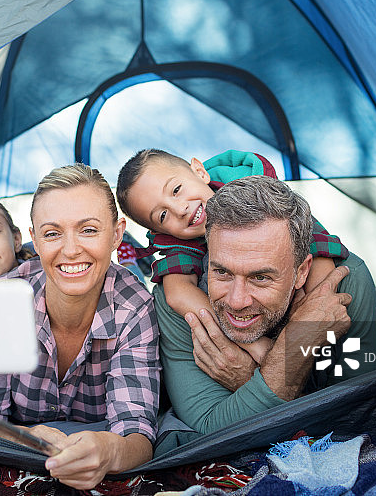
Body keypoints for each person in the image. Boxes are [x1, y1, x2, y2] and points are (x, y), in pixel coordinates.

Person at [0, 164, 160, 490]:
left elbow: (136, 431)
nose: (70, 250)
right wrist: (23, 438)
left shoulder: (135, 308)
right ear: (35, 241)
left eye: (89, 230)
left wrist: (110, 451)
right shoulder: (1, 302)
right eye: (53, 233)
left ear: (116, 234)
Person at [154, 175, 376, 436]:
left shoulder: (347, 284)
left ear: (302, 271)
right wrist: (286, 363)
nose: (237, 301)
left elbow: (353, 419)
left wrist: (252, 377)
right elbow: (209, 425)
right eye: (222, 273)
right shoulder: (179, 299)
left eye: (260, 278)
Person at [116, 148, 349, 361]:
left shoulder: (257, 190)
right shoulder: (177, 241)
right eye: (162, 215)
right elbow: (178, 294)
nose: (180, 209)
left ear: (199, 171)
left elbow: (318, 244)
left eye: (176, 190)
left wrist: (311, 312)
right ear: (158, 230)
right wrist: (254, 344)